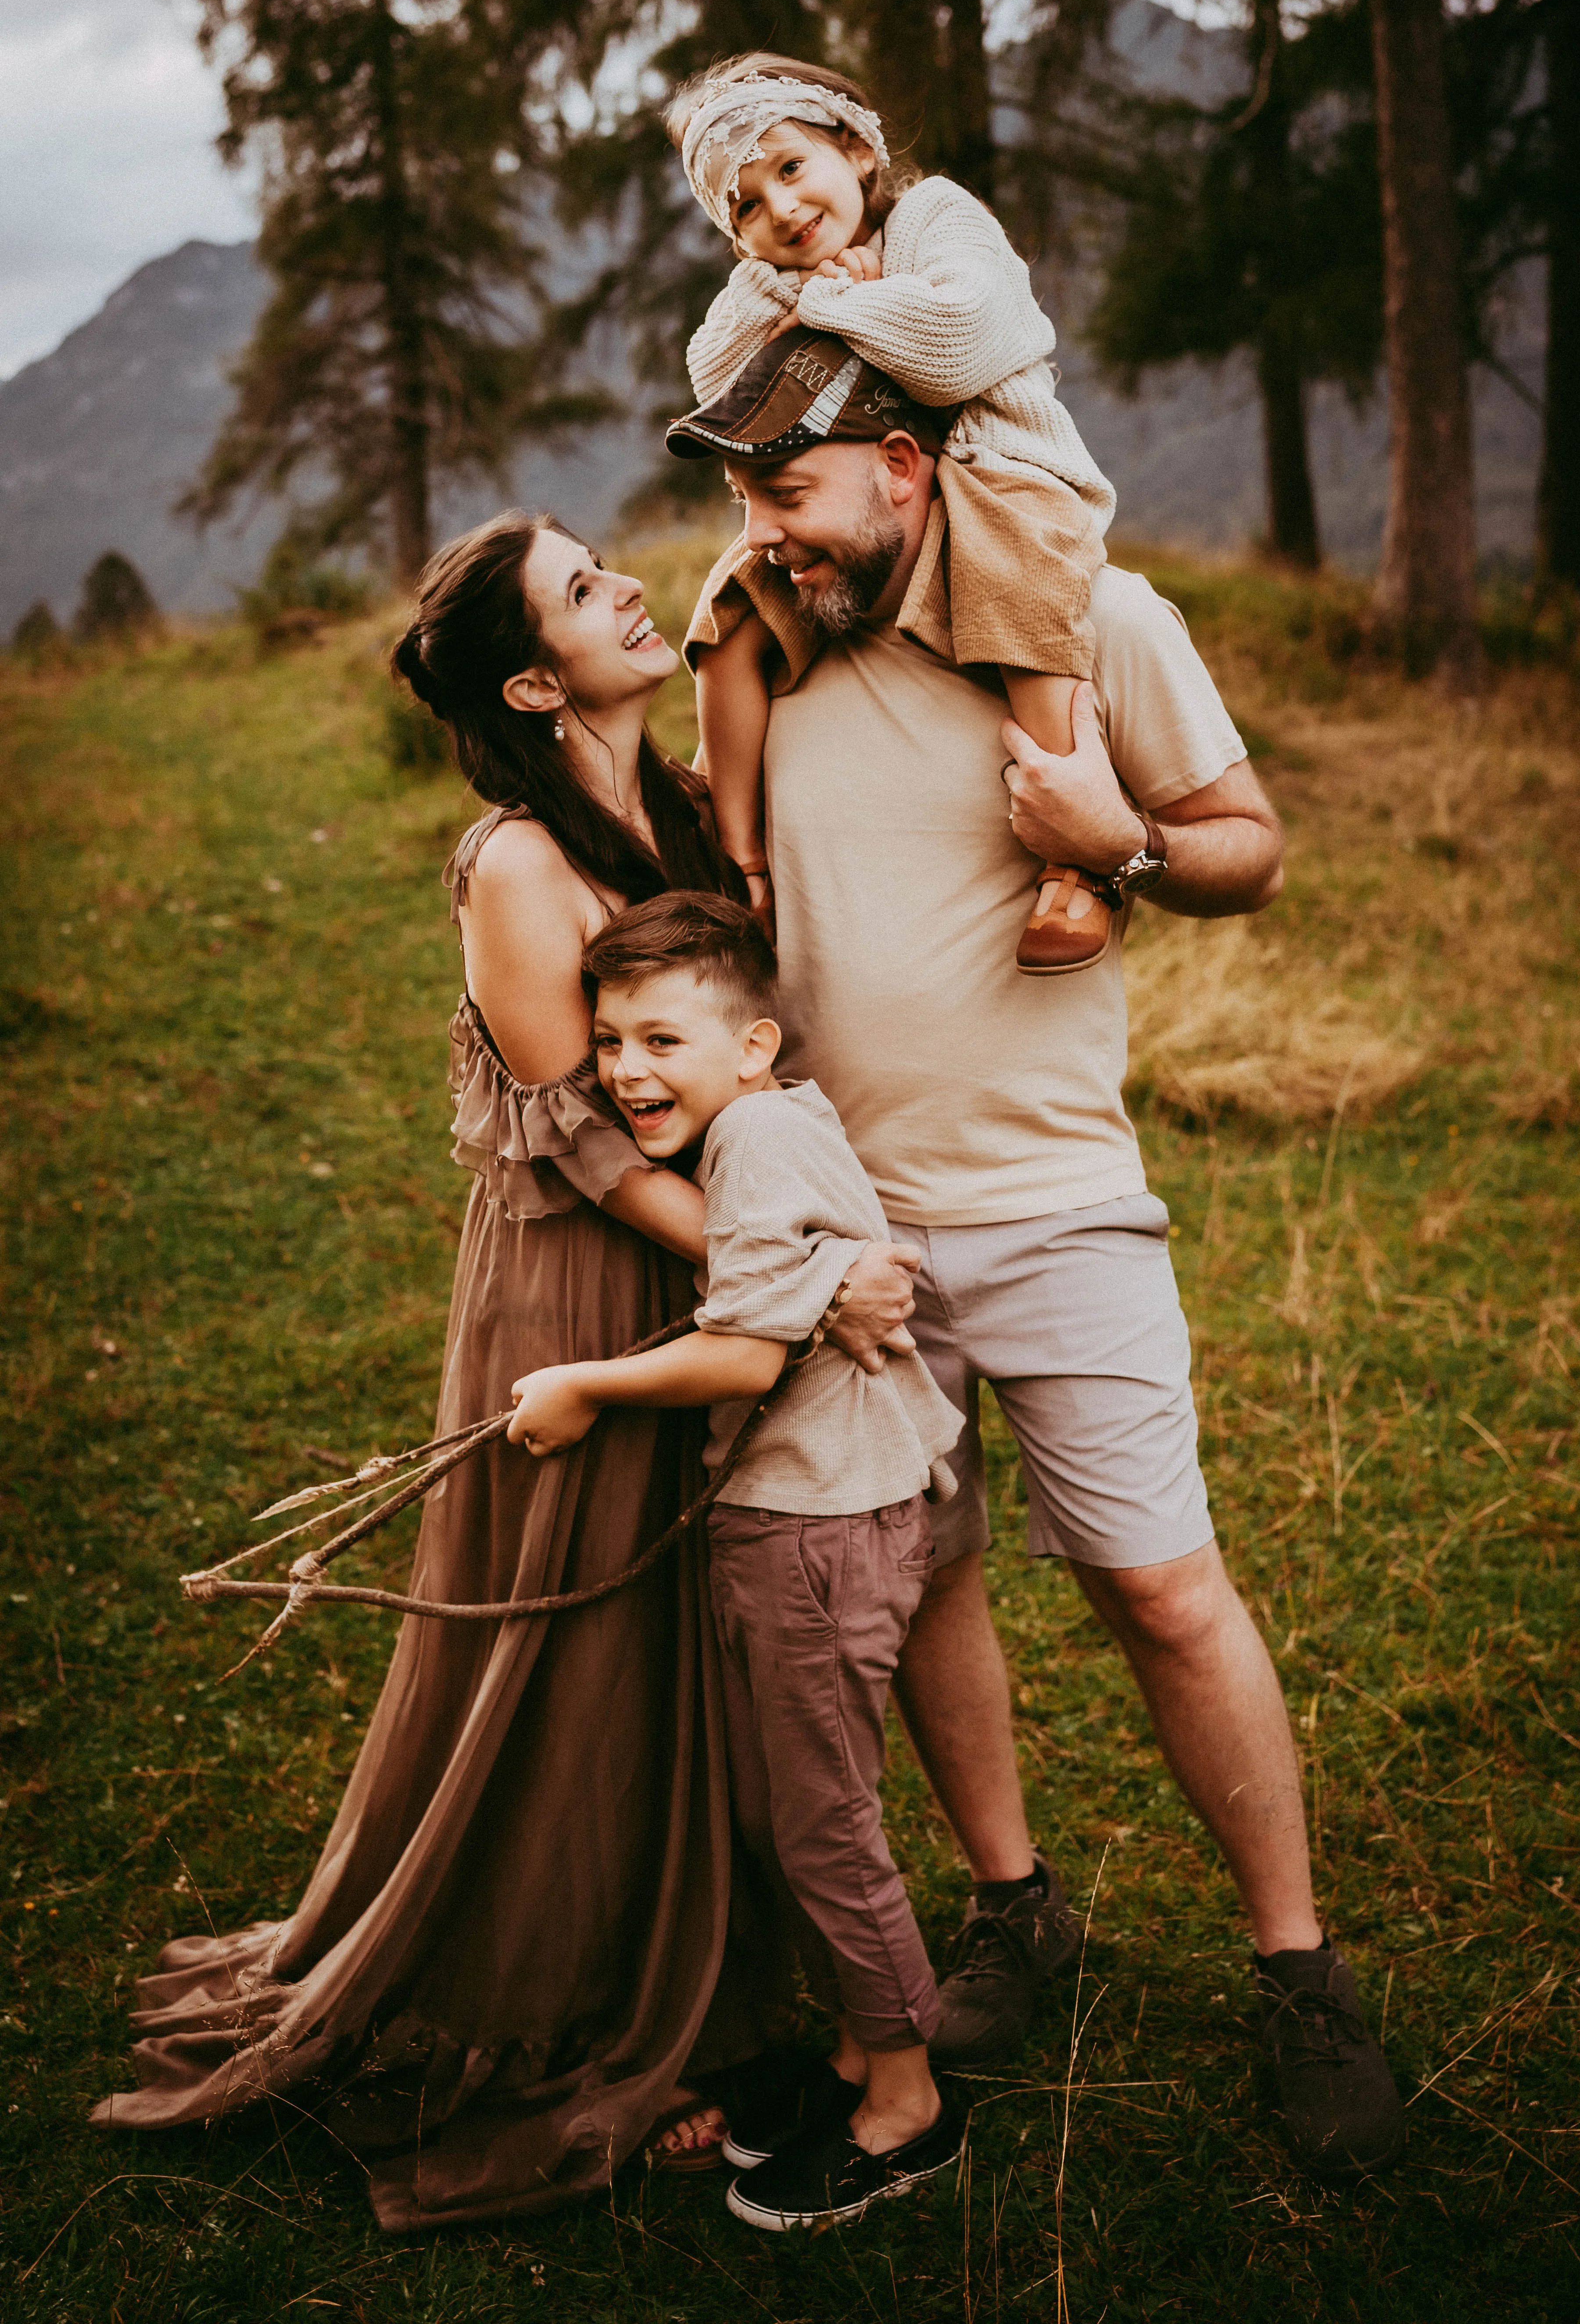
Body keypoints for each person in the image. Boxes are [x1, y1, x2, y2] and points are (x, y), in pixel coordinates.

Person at [91, 509, 918, 2232]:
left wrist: (745, 601)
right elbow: (597, 1162)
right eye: (581, 586)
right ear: (538, 679)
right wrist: (807, 1271)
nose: (622, 581)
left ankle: (685, 1964)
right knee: (580, 1632)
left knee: (689, 1623)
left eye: (606, 555)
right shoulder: (516, 866)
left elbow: (744, 706)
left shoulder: (662, 806)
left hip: (716, 1263)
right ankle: (560, 1997)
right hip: (582, 1283)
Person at [666, 344, 1408, 2181]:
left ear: (904, 468)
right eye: (741, 495)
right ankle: (1012, 1909)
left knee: (1161, 1591)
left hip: (1062, 1201)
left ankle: (1297, 1973)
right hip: (851, 1239)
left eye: (789, 490)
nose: (757, 530)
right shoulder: (767, 650)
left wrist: (1127, 845)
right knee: (920, 1578)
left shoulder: (1095, 615)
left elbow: (1250, 847)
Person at [510, 891, 970, 2232]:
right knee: (797, 1811)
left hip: (820, 1531)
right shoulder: (772, 1122)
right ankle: (858, 2043)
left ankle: (906, 2100)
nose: (627, 1071)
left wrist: (585, 1386)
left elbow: (749, 1354)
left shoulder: (759, 1136)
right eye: (608, 1042)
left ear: (755, 1046)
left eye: (663, 1039)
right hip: (816, 1517)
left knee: (825, 1827)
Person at [666, 50, 1120, 975]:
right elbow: (718, 377)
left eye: (790, 169)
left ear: (858, 150)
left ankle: (1074, 854)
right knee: (734, 610)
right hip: (868, 499)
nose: (781, 211)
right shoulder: (771, 278)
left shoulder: (936, 217)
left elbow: (955, 344)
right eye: (743, 206)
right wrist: (828, 298)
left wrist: (830, 304)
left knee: (1014, 578)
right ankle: (733, 853)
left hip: (1001, 468)